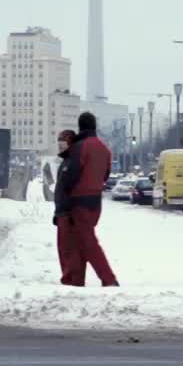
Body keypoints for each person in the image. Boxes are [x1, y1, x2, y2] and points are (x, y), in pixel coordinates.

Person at [55, 112, 118, 287]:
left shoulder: (79, 147)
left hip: (78, 202)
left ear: (80, 126)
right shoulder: (104, 148)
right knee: (80, 241)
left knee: (87, 242)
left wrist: (63, 202)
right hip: (96, 203)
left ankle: (109, 279)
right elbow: (106, 175)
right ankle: (75, 281)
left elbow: (70, 176)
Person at [52, 130, 78, 284]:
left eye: (63, 144)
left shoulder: (73, 162)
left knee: (67, 248)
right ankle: (67, 276)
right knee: (62, 248)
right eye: (59, 144)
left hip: (68, 213)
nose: (60, 147)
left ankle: (70, 278)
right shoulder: (65, 162)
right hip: (62, 212)